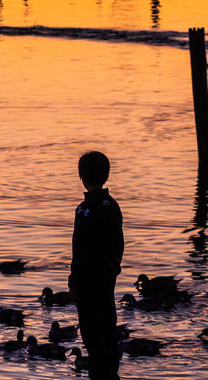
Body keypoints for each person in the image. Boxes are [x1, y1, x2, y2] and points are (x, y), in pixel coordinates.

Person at [67, 152, 124, 380]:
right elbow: (119, 243)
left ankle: (100, 374)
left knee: (91, 332)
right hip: (108, 277)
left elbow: (79, 250)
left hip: (88, 281)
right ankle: (112, 370)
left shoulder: (84, 209)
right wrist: (114, 267)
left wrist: (73, 284)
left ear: (82, 177)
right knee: (109, 326)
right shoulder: (112, 205)